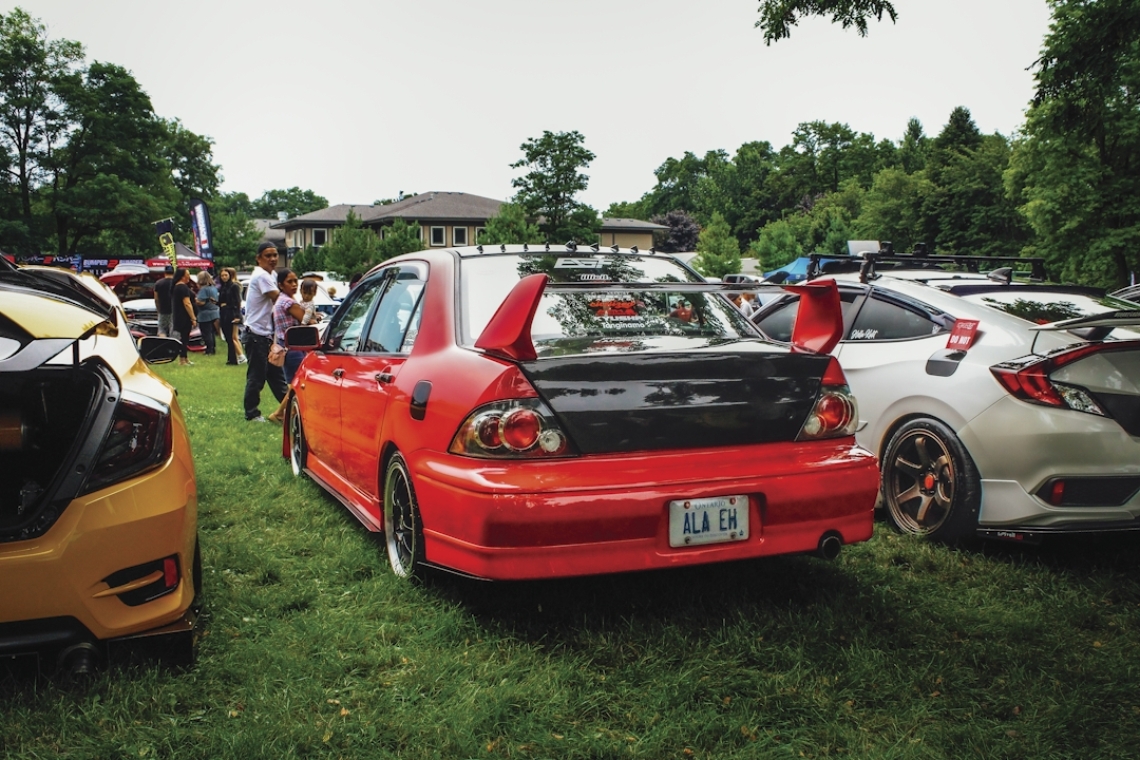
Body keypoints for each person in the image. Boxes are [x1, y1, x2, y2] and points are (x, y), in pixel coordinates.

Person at [242, 243, 288, 421]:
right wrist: (303, 313)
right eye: (268, 256)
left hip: (266, 336)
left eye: (275, 255)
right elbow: (279, 299)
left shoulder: (272, 275)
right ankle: (251, 413)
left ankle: (286, 411)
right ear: (258, 258)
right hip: (256, 335)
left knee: (277, 376)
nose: (273, 259)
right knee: (257, 376)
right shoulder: (261, 275)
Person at [266, 269, 308, 423]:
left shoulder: (280, 301)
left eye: (295, 281)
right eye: (289, 282)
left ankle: (288, 413)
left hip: (286, 347)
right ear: (280, 285)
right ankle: (279, 413)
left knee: (295, 383)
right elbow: (307, 320)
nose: (294, 284)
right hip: (294, 348)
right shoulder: (288, 302)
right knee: (298, 383)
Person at [218, 267, 246, 365]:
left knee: (232, 337)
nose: (224, 277)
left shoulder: (234, 286)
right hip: (223, 312)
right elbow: (221, 300)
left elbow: (237, 301)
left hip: (232, 313)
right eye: (222, 276)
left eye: (226, 275)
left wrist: (237, 315)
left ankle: (236, 358)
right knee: (228, 337)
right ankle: (232, 358)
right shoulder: (222, 287)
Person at [171, 268, 196, 366]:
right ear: (183, 276)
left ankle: (185, 358)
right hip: (184, 316)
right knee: (184, 338)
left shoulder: (177, 287)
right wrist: (193, 317)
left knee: (185, 338)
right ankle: (182, 360)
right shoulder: (182, 287)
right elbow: (187, 303)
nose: (189, 276)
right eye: (188, 274)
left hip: (179, 315)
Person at [195, 271, 220, 355]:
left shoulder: (204, 289)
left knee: (206, 332)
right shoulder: (213, 287)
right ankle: (213, 348)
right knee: (211, 332)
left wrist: (195, 300)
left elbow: (201, 302)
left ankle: (209, 350)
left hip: (205, 313)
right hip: (214, 312)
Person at [153, 265, 175, 337]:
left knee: (162, 329)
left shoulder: (158, 283)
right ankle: (172, 345)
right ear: (173, 273)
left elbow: (156, 299)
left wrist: (158, 309)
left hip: (163, 310)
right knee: (173, 329)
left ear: (164, 273)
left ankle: (163, 344)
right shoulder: (176, 283)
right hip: (174, 311)